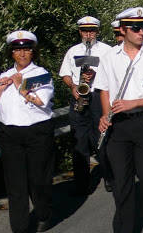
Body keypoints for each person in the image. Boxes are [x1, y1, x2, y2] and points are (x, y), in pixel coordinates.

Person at [95, 7, 143, 233]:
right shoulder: (110, 57)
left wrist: (134, 103)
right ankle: (126, 227)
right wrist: (104, 114)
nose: (142, 32)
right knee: (122, 181)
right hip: (118, 125)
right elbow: (104, 89)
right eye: (137, 28)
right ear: (123, 30)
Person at [0, 31, 54, 233]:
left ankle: (43, 213)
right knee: (15, 185)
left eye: (26, 50)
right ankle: (20, 228)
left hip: (37, 132)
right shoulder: (4, 75)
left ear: (33, 52)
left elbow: (42, 101)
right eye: (17, 50)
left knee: (38, 180)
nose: (22, 54)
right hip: (10, 134)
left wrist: (20, 86)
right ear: (11, 53)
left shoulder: (41, 74)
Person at [58, 16, 113, 195]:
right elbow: (65, 74)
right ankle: (82, 183)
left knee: (102, 139)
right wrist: (73, 86)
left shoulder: (108, 51)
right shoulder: (72, 51)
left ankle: (109, 176)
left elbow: (114, 76)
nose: (88, 34)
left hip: (98, 96)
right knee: (79, 141)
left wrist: (97, 78)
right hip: (79, 96)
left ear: (97, 31)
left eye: (92, 30)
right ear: (80, 32)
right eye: (84, 31)